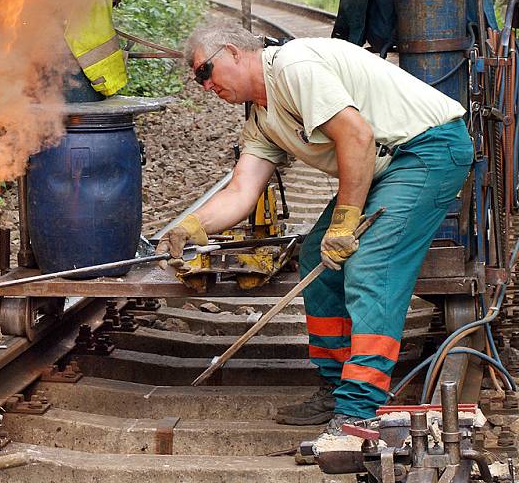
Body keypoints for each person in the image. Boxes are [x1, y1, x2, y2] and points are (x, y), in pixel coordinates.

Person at [157, 23, 472, 434]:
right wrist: (190, 226)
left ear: (233, 52)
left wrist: (344, 224)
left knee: (370, 265)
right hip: (386, 164)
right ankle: (336, 382)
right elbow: (241, 190)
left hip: (427, 148)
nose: (204, 85)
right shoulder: (262, 117)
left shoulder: (293, 66)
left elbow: (356, 135)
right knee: (314, 258)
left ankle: (358, 407)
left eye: (205, 72)